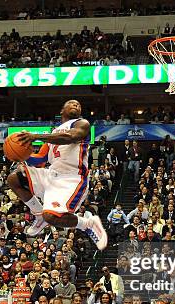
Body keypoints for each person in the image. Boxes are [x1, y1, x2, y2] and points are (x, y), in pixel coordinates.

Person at [8, 100, 108, 250]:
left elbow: (71, 137)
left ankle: (87, 224)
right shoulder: (54, 133)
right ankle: (38, 214)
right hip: (51, 175)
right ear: (62, 110)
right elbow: (39, 159)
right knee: (14, 178)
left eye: (78, 105)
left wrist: (35, 136)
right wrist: (19, 155)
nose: (76, 105)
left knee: (53, 217)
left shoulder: (82, 123)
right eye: (72, 103)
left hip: (71, 178)